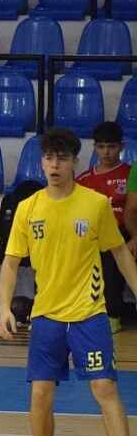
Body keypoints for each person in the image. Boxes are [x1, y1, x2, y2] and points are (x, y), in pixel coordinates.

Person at [0, 127, 137, 436]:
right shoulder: (29, 208)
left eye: (61, 158)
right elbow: (10, 262)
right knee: (40, 394)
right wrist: (5, 307)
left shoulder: (94, 204)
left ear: (76, 162)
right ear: (42, 161)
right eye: (48, 158)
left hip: (90, 314)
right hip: (46, 317)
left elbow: (120, 253)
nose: (54, 165)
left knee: (104, 388)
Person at [75, 121, 131, 334]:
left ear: (121, 146)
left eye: (112, 146)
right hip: (92, 235)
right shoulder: (84, 180)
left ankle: (112, 314)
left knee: (109, 251)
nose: (106, 152)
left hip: (123, 232)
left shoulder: (130, 174)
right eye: (101, 146)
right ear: (94, 147)